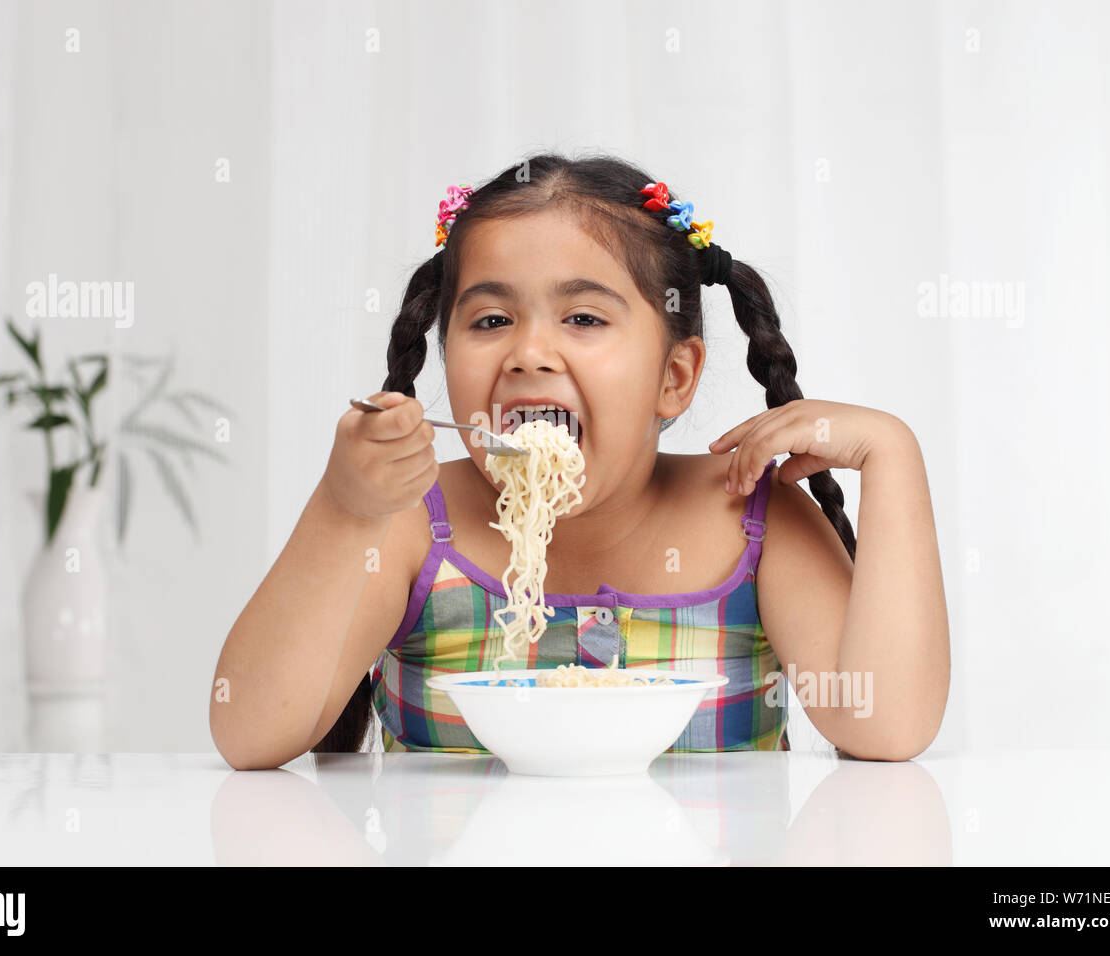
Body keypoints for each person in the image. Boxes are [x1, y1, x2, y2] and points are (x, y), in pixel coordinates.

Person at [211, 152, 950, 768]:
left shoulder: (752, 518)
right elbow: (249, 732)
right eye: (491, 319)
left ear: (675, 377)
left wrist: (892, 456)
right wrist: (345, 510)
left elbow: (884, 729)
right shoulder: (408, 523)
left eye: (584, 318)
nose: (529, 353)